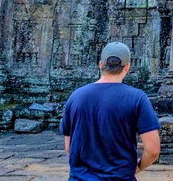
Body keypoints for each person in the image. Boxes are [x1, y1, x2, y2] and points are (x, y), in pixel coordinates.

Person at [60, 42, 161, 180]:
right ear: (127, 67)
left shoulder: (76, 97)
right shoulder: (137, 98)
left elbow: (69, 148)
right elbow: (153, 150)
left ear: (101, 65)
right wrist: (136, 168)